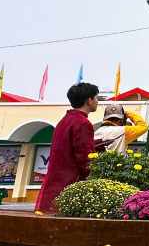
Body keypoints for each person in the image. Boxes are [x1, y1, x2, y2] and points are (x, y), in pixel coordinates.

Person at [35, 82, 100, 214]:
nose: (97, 102)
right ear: (89, 100)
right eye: (96, 98)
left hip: (51, 188)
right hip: (67, 188)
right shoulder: (83, 123)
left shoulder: (65, 120)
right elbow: (85, 158)